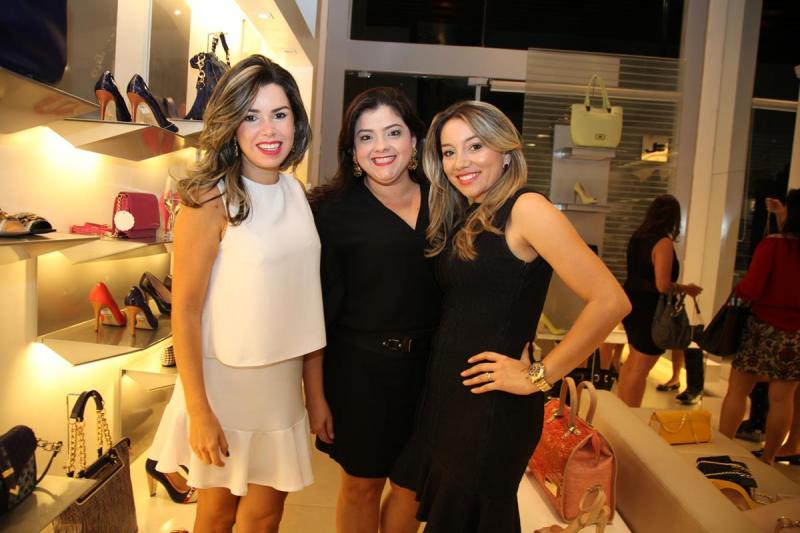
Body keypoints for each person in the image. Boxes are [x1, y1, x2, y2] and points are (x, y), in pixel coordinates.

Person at [390, 100, 630, 532]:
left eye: (475, 146)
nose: (460, 162)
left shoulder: (527, 208)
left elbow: (611, 301)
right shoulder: (473, 212)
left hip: (491, 409)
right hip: (451, 400)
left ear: (504, 151)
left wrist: (538, 376)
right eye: (449, 151)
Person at [146, 54, 326, 532]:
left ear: (295, 122)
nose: (268, 130)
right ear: (231, 125)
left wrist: (314, 394)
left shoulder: (296, 193)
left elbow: (303, 300)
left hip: (281, 384)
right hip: (222, 383)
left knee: (266, 517)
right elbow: (185, 310)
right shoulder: (208, 199)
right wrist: (198, 410)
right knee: (217, 514)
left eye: (279, 114)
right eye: (251, 116)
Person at [308, 87, 440, 533]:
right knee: (362, 488)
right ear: (352, 150)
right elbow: (314, 312)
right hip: (359, 374)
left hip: (432, 375)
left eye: (393, 132)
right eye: (366, 137)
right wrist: (315, 393)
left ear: (415, 141)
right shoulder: (330, 212)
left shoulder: (447, 201)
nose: (381, 147)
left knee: (415, 489)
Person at [719, 189, 800, 464]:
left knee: (738, 390)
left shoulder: (772, 245)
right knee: (782, 398)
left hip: (762, 328)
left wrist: (738, 290)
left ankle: (721, 450)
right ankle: (769, 458)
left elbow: (751, 288)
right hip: (796, 334)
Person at [616, 194, 702, 408]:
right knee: (640, 368)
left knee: (632, 363)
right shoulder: (662, 243)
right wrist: (686, 289)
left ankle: (622, 410)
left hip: (632, 303)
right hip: (652, 311)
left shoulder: (637, 237)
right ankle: (631, 414)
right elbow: (662, 285)